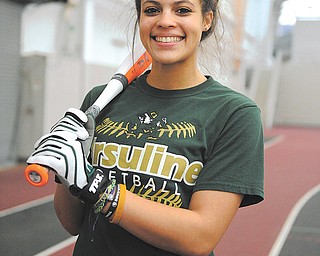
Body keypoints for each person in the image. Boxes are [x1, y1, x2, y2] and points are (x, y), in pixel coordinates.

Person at [27, 0, 264, 255]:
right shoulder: (100, 100)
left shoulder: (235, 114)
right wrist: (67, 174)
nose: (165, 21)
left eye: (182, 10)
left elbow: (199, 237)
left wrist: (98, 188)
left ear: (207, 19)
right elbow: (72, 223)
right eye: (152, 10)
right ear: (140, 18)